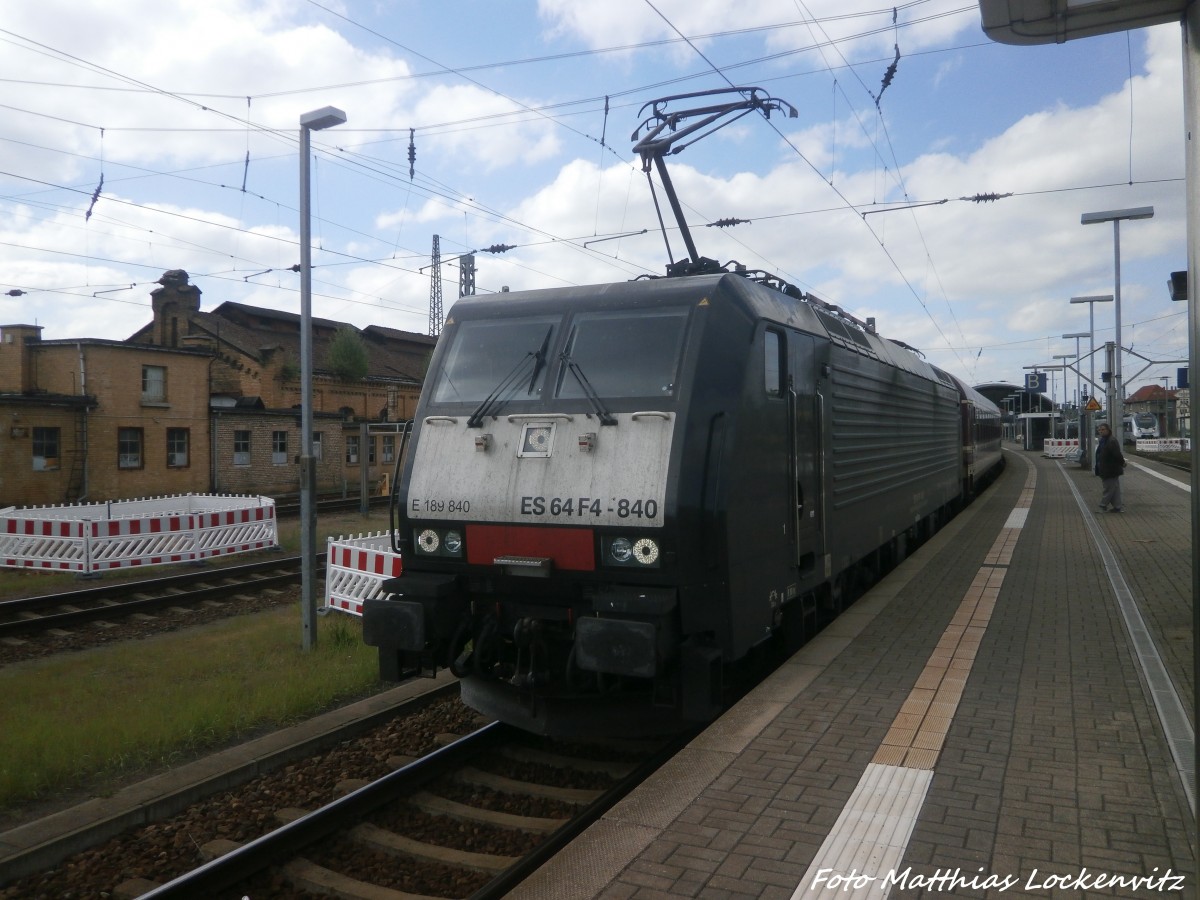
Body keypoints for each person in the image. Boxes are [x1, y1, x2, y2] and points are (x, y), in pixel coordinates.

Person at [1094, 422, 1126, 512]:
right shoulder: (1103, 440)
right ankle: (1118, 507)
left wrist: (1122, 462)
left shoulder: (1111, 441)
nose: (1101, 431)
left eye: (1103, 429)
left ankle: (1102, 506)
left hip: (1110, 469)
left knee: (1108, 488)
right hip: (1106, 468)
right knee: (1114, 488)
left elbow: (1117, 454)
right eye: (1099, 430)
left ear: (1108, 430)